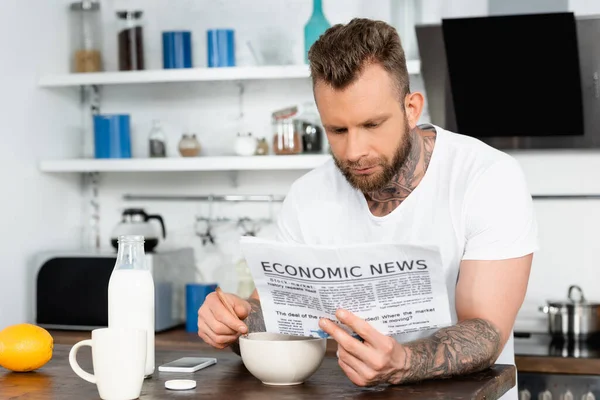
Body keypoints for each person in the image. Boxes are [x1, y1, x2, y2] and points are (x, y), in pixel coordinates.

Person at [197, 18, 537, 397]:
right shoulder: (307, 196)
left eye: (372, 124)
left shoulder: (487, 178)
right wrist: (235, 321)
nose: (354, 151)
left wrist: (403, 360)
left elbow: (485, 330)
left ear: (411, 109)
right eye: (337, 131)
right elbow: (279, 318)